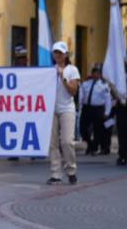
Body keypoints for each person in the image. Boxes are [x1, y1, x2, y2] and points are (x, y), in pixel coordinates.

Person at [48, 41, 80, 185]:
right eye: (55, 52)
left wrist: (63, 77)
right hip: (51, 110)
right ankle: (56, 173)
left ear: (66, 54)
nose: (57, 55)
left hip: (67, 109)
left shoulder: (72, 69)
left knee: (67, 141)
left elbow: (73, 91)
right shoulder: (49, 70)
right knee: (53, 143)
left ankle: (71, 170)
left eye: (60, 53)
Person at [78, 63, 113, 155]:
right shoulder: (85, 84)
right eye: (94, 73)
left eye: (98, 73)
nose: (95, 75)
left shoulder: (104, 86)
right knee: (83, 128)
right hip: (87, 108)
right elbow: (81, 97)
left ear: (100, 75)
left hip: (98, 109)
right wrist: (80, 108)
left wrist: (107, 112)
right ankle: (90, 144)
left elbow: (108, 100)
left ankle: (94, 147)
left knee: (98, 130)